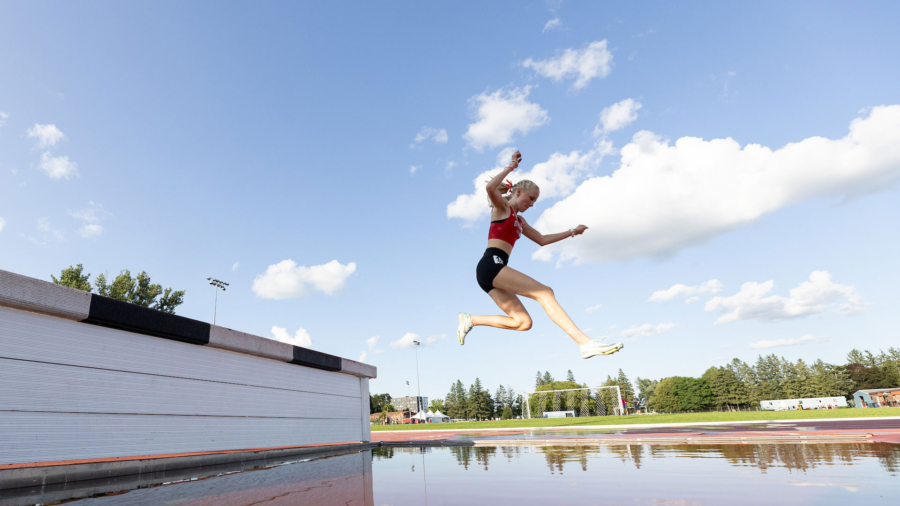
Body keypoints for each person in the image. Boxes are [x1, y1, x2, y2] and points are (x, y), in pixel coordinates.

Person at [457, 150, 623, 359]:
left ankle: (470, 319)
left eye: (535, 201)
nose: (532, 204)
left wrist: (572, 231)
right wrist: (512, 166)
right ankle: (585, 343)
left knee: (523, 323)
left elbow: (542, 240)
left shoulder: (520, 221)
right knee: (545, 293)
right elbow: (490, 187)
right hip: (492, 264)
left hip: (491, 272)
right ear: (518, 192)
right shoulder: (503, 208)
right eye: (531, 198)